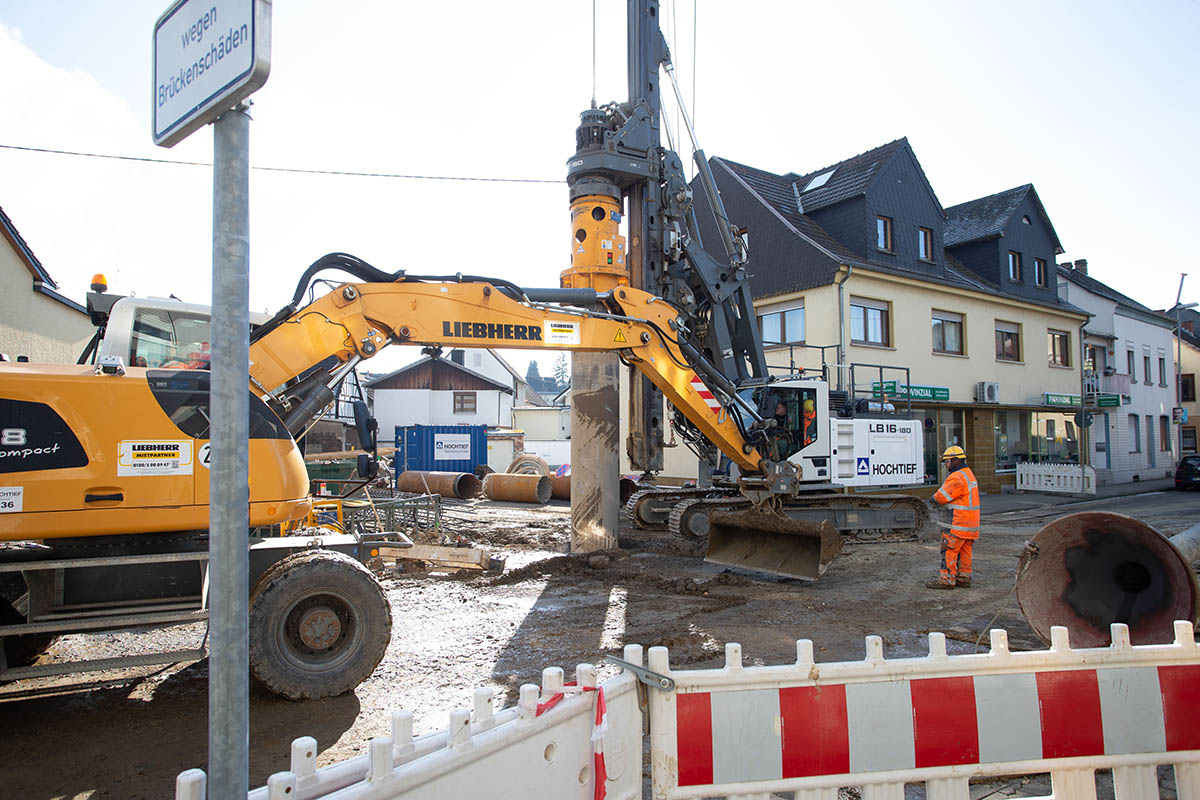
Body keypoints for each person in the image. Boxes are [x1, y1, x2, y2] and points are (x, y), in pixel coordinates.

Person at [926, 445, 979, 589]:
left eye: (948, 461)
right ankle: (963, 577)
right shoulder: (968, 474)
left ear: (956, 460)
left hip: (957, 523)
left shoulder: (956, 477)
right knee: (965, 552)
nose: (946, 465)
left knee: (949, 550)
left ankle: (947, 579)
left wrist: (933, 498)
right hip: (970, 524)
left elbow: (942, 497)